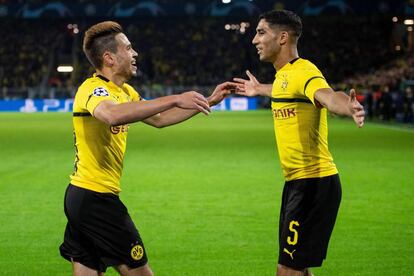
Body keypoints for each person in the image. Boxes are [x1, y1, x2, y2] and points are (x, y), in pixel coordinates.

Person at [59, 21, 233, 276]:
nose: (135, 53)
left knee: (87, 270)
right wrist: (174, 97)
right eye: (128, 48)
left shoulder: (125, 91)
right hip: (95, 197)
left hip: (83, 197)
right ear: (109, 58)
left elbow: (159, 119)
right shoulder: (92, 89)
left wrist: (205, 102)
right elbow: (111, 115)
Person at [233, 10, 365, 276]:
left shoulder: (305, 71)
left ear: (282, 38)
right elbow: (284, 88)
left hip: (314, 185)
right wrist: (259, 89)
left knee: (287, 269)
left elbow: (327, 95)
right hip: (297, 183)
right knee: (298, 267)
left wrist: (347, 106)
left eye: (261, 33)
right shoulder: (285, 74)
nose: (254, 40)